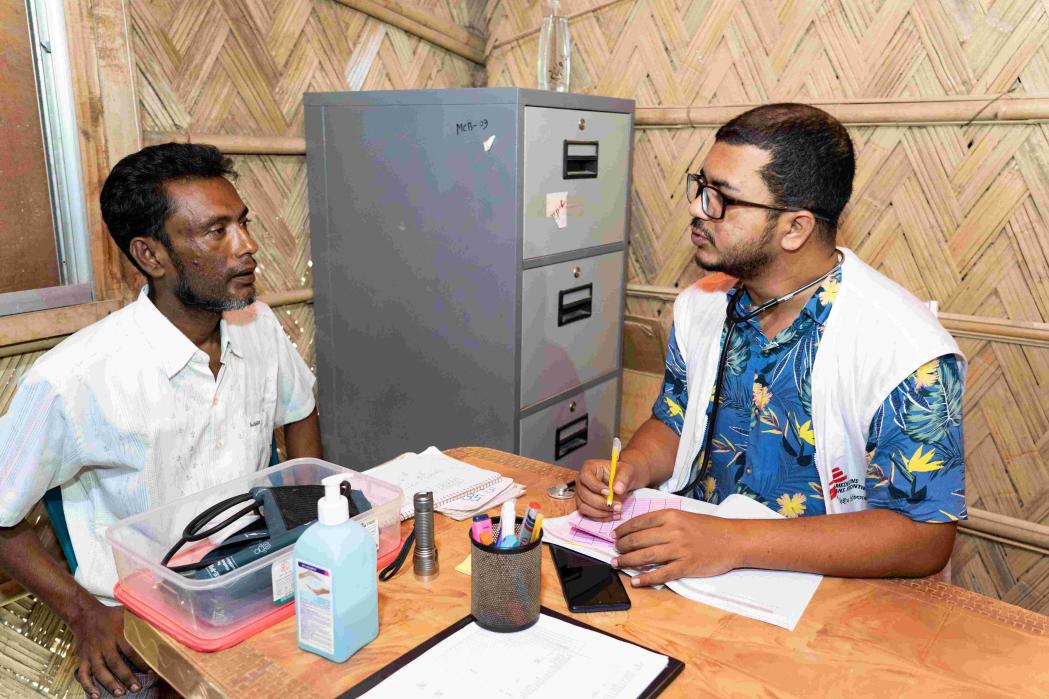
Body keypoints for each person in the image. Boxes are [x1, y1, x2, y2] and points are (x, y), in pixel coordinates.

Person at [576, 103, 965, 588]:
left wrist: (733, 542)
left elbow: (923, 536)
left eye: (722, 198)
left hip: (828, 594)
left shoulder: (905, 350)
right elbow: (675, 419)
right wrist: (630, 469)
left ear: (795, 228)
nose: (697, 208)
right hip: (698, 571)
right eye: (701, 186)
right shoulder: (702, 307)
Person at [0, 143, 321, 698]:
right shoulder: (72, 380)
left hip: (256, 586)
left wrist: (307, 530)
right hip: (140, 632)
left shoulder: (258, 326)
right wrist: (83, 614)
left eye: (242, 223)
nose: (248, 247)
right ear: (151, 255)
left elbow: (301, 413)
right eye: (216, 232)